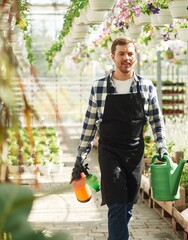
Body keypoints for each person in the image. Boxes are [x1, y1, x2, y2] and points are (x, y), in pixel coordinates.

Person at [72, 36, 169, 240]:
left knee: (126, 206)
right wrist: (80, 157)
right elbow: (89, 124)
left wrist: (162, 148)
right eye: (121, 53)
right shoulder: (99, 87)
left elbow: (156, 121)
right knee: (116, 203)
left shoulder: (146, 87)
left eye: (130, 53)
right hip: (109, 152)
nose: (126, 58)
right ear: (112, 56)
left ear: (135, 56)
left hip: (135, 152)